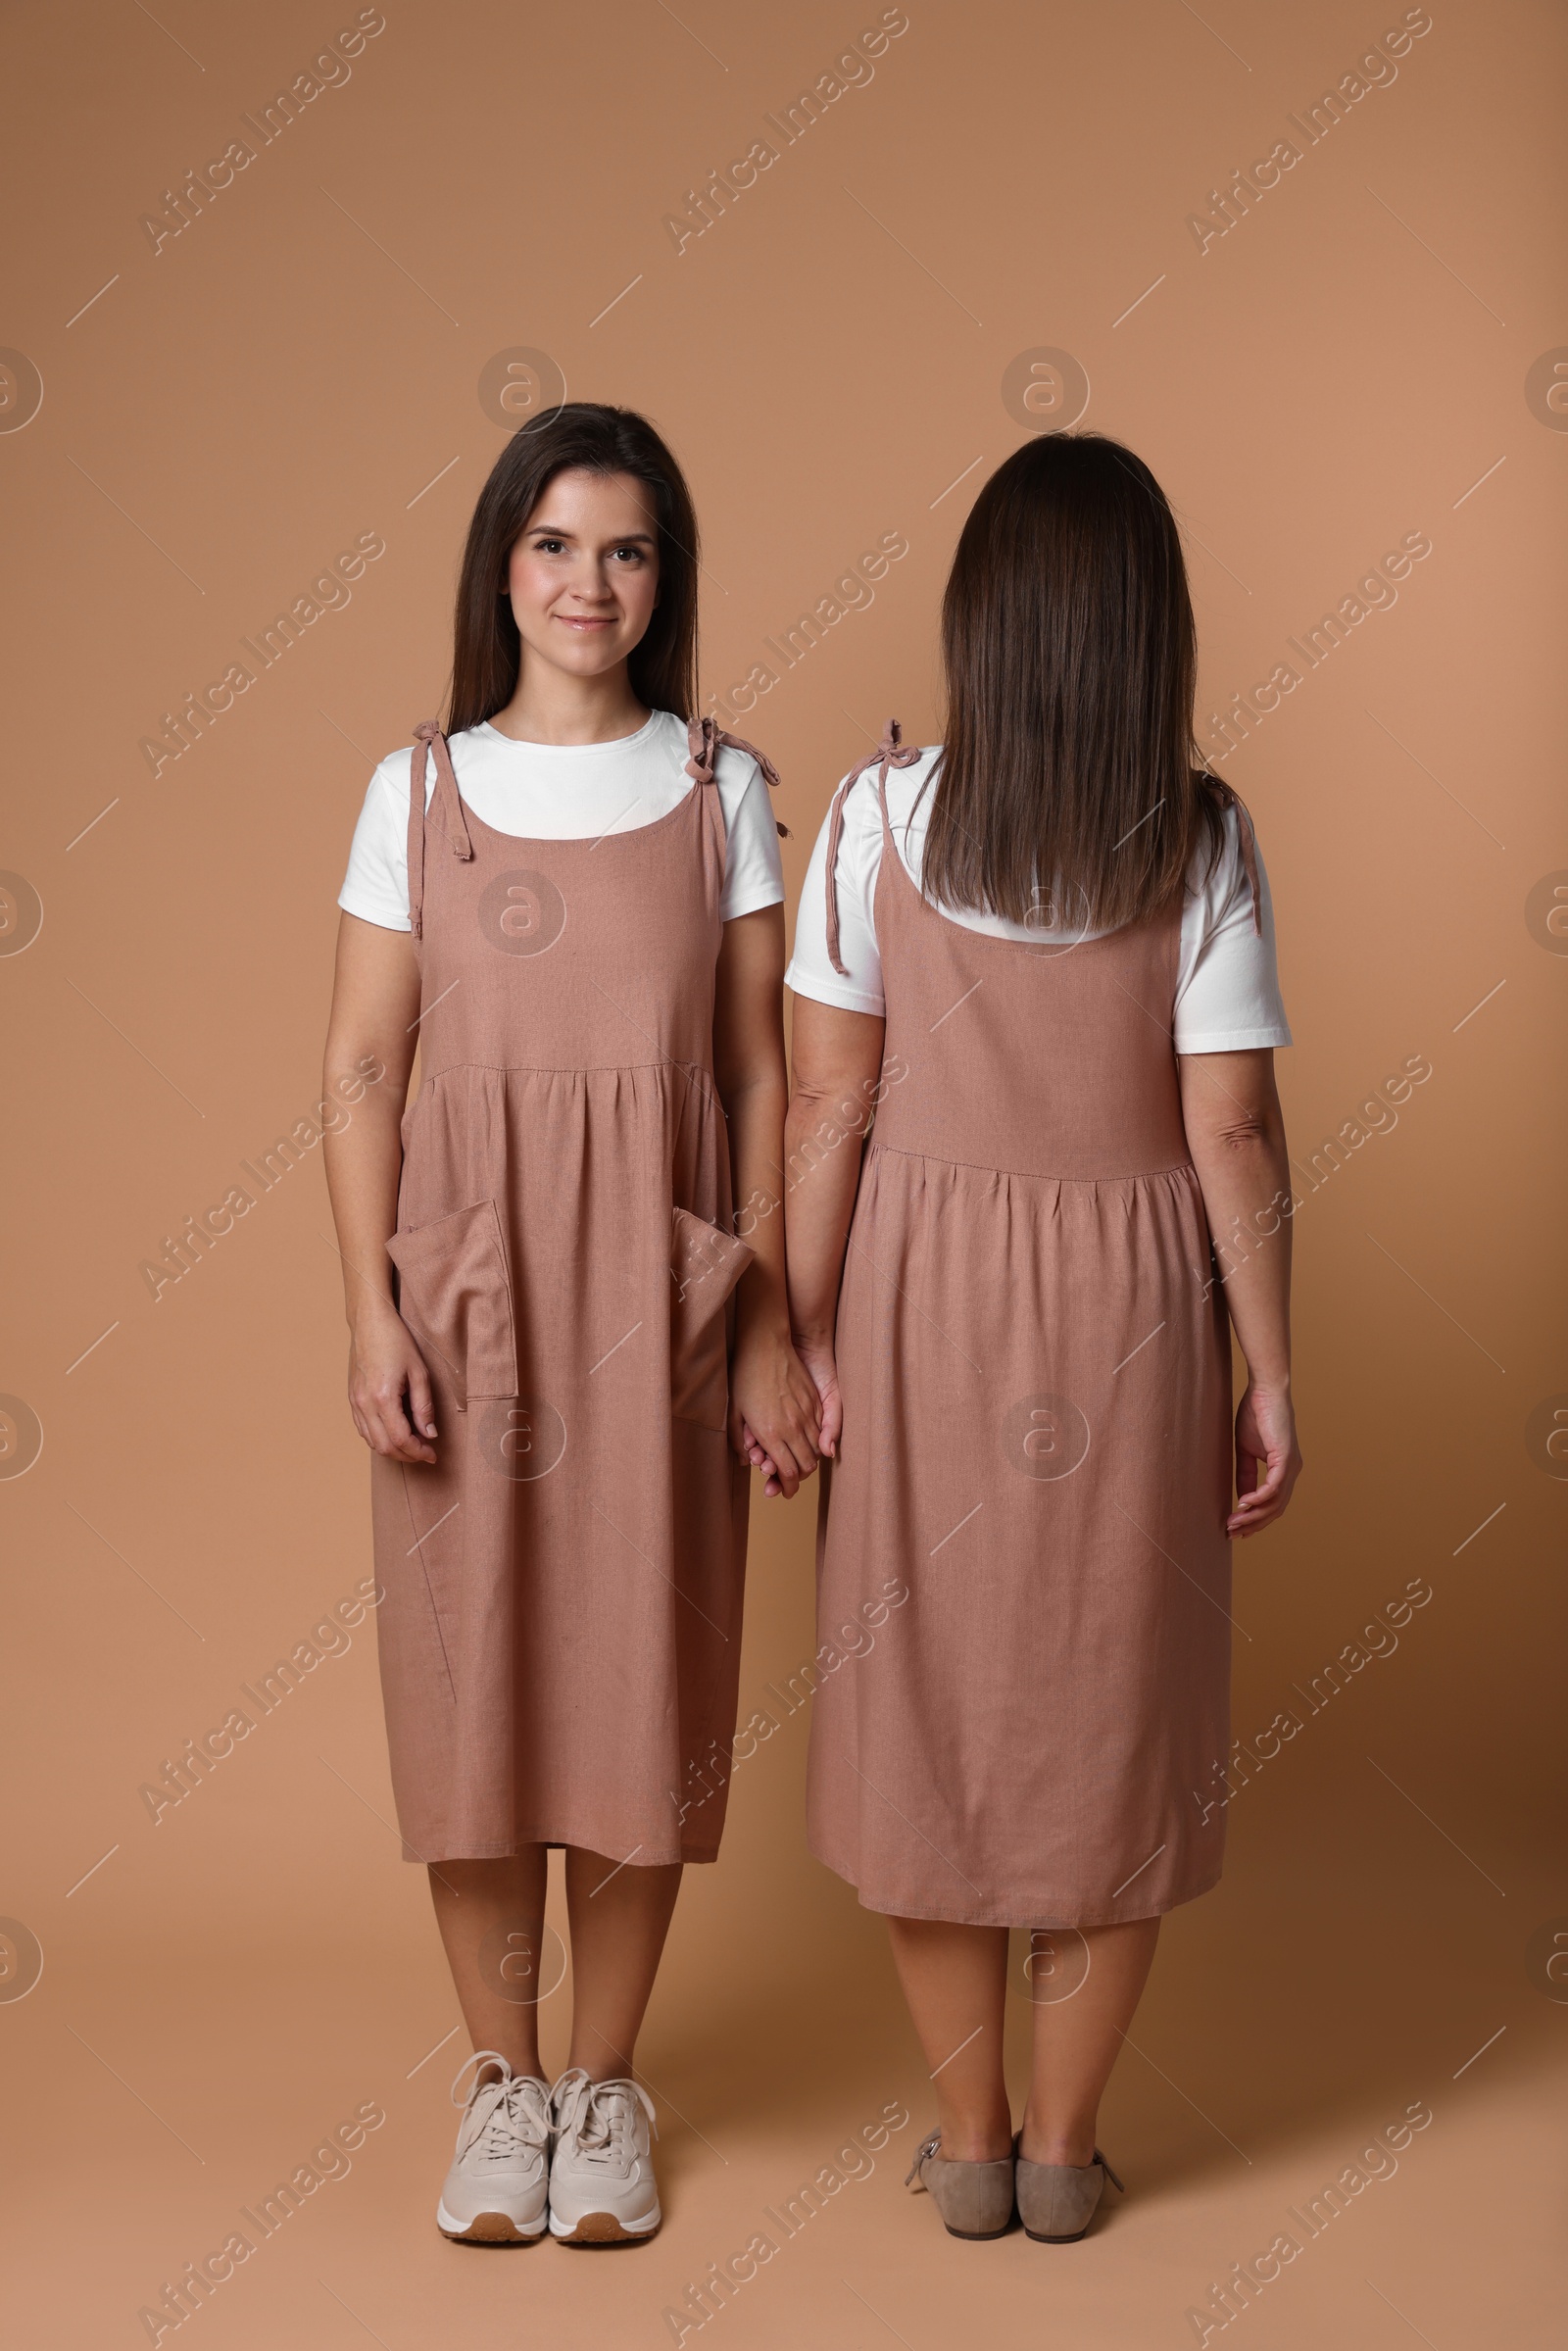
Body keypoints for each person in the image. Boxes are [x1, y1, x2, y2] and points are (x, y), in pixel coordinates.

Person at [775, 432, 1301, 2244]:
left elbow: (827, 1108)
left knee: (928, 1711)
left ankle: (972, 2148)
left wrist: (803, 1331)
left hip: (919, 1293)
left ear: (978, 622)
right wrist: (1273, 1366)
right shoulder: (1204, 833)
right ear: (1151, 629)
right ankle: (1072, 2157)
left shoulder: (871, 818)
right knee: (1112, 1714)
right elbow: (1229, 1129)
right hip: (1138, 1311)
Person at [321, 404, 820, 2247]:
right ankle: (500, 2089)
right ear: (501, 568)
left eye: (625, 549)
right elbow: (365, 1064)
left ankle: (604, 2090)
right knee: (471, 1707)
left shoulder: (722, 786)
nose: (587, 583)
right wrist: (370, 1306)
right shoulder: (419, 789)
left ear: (663, 576)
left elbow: (769, 1079)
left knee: (639, 1700)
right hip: (468, 1299)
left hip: (658, 1300)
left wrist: (762, 1322)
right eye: (553, 545)